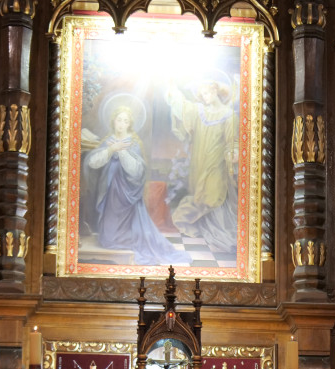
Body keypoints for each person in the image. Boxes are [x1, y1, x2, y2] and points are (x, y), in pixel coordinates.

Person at [83, 105, 191, 266]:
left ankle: (130, 238)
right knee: (107, 239)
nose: (121, 124)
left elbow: (137, 171)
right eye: (119, 120)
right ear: (114, 121)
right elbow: (92, 162)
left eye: (125, 121)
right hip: (110, 189)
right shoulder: (108, 140)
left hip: (127, 191)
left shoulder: (133, 142)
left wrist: (121, 152)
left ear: (129, 124)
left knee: (128, 234)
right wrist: (111, 149)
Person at [166, 80, 239, 253]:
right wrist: (174, 94)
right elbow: (184, 109)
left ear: (215, 91)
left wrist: (233, 152)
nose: (204, 97)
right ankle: (206, 229)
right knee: (200, 192)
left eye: (207, 93)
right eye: (202, 94)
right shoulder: (200, 112)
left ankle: (218, 232)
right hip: (199, 161)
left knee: (213, 193)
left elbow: (232, 141)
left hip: (217, 162)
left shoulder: (229, 116)